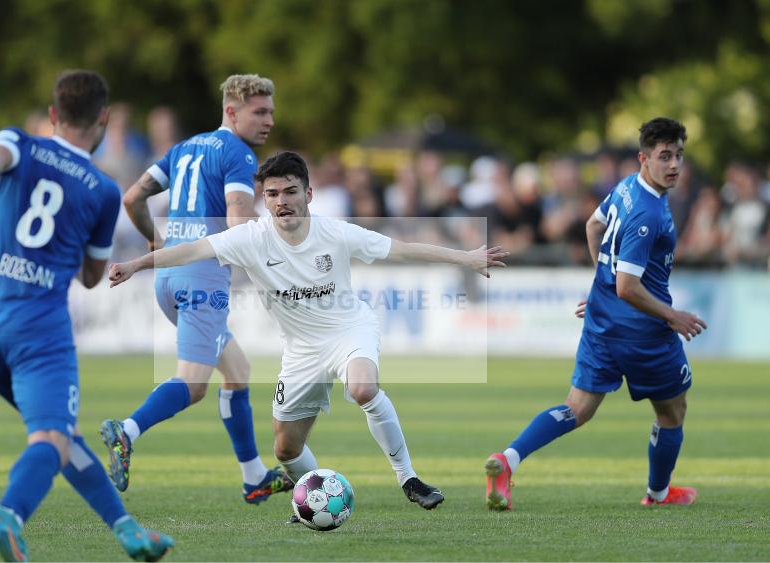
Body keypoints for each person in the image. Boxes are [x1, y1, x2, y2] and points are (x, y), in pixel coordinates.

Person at [108, 151, 509, 510]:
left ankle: (409, 479)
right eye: (272, 194)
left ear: (309, 194)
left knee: (363, 388)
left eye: (290, 192)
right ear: (264, 200)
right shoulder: (250, 238)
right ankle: (313, 498)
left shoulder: (336, 233)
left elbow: (403, 249)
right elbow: (191, 250)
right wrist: (136, 264)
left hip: (349, 329)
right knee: (286, 448)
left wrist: (467, 258)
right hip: (300, 350)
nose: (282, 202)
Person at [0, 70, 173, 563]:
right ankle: (9, 515)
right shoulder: (101, 189)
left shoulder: (19, 142)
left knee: (62, 434)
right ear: (104, 119)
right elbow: (93, 277)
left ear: (52, 115)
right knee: (50, 438)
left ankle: (127, 529)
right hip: (39, 336)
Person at [484, 117, 707, 510]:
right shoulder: (649, 214)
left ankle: (507, 460)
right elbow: (628, 286)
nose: (674, 165)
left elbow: (593, 225)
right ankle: (657, 495)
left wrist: (601, 286)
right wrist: (673, 317)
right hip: (644, 333)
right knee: (673, 413)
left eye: (679, 156)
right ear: (644, 158)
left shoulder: (625, 187)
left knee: (577, 408)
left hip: (602, 324)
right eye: (664, 156)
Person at [98, 74, 290, 504]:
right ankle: (125, 431)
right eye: (259, 112)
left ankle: (254, 476)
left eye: (271, 112)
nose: (268, 121)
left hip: (169, 276)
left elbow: (132, 198)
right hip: (202, 279)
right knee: (194, 384)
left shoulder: (183, 148)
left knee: (237, 371)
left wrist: (156, 243)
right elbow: (240, 224)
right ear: (231, 111)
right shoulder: (238, 154)